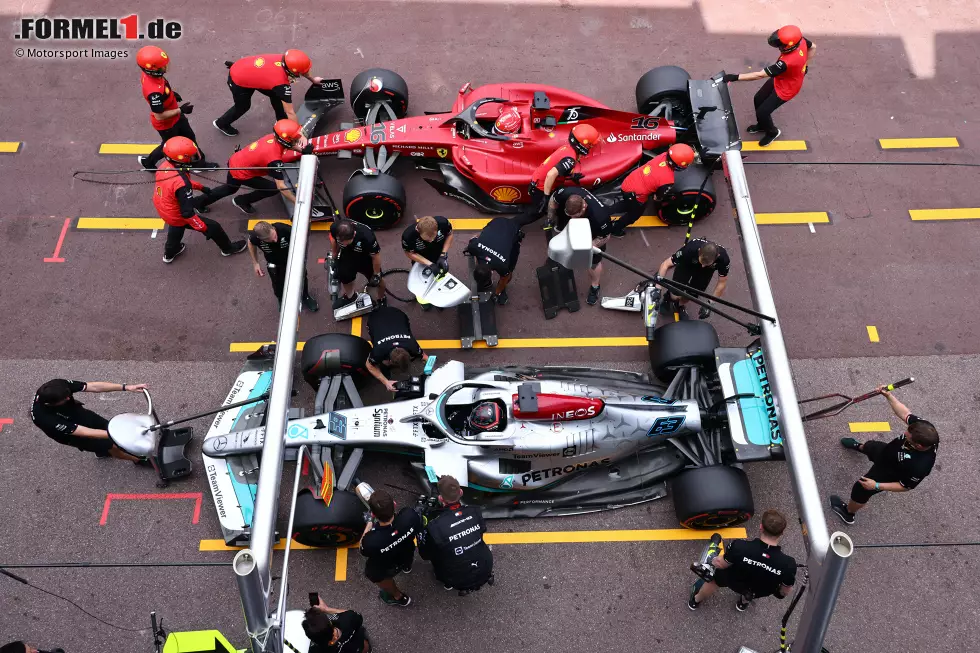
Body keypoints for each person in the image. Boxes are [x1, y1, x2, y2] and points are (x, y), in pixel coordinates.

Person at [830, 386, 938, 525]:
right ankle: (859, 446)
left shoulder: (920, 466)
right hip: (887, 452)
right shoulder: (923, 428)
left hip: (889, 472)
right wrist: (889, 396)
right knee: (870, 446)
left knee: (861, 488)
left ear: (919, 446)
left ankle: (849, 513)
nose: (905, 434)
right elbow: (905, 413)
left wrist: (876, 485)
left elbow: (905, 486)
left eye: (908, 436)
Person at [152, 137, 247, 264]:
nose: (193, 158)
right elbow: (187, 213)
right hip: (176, 213)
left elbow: (177, 183)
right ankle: (228, 248)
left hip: (164, 208)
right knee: (214, 227)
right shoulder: (182, 182)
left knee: (176, 227)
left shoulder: (165, 166)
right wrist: (202, 228)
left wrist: (201, 188)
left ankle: (170, 253)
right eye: (190, 157)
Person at [722, 25, 815, 147]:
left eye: (781, 45)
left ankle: (772, 132)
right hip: (780, 78)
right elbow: (813, 47)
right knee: (758, 99)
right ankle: (762, 125)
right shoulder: (801, 40)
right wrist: (805, 65)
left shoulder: (785, 63)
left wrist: (735, 77)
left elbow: (759, 75)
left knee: (763, 112)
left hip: (787, 89)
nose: (779, 47)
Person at [689, 509, 797, 611]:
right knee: (751, 592)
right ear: (782, 533)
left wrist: (712, 560)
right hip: (759, 590)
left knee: (713, 581)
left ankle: (695, 600)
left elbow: (720, 564)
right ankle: (742, 603)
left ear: (761, 527)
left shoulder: (739, 547)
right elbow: (784, 591)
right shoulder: (789, 564)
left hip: (732, 580)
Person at [197, 119, 307, 215]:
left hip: (238, 161)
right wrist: (298, 202)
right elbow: (281, 187)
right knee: (272, 188)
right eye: (294, 139)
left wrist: (303, 151)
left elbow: (288, 145)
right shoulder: (274, 160)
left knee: (229, 189)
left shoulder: (272, 137)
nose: (296, 141)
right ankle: (240, 201)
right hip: (240, 172)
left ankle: (201, 202)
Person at [135, 46, 215, 171]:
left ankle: (149, 162)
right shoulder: (154, 92)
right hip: (167, 124)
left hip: (175, 117)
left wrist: (171, 94)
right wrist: (181, 110)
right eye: (162, 66)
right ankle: (199, 165)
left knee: (188, 138)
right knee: (169, 146)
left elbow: (163, 89)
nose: (166, 67)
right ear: (153, 70)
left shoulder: (150, 76)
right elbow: (159, 115)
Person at [30, 379, 149, 463]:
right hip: (72, 434)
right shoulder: (45, 418)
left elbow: (92, 386)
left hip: (78, 414)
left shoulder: (58, 386)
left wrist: (126, 387)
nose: (68, 397)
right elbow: (83, 432)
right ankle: (139, 460)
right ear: (51, 404)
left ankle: (102, 451)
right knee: (112, 445)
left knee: (107, 426)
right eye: (64, 399)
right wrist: (117, 434)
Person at [214, 49, 323, 137]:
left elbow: (301, 69)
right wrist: (299, 133)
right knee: (243, 106)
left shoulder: (286, 59)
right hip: (238, 79)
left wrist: (313, 80)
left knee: (275, 94)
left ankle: (281, 119)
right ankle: (221, 124)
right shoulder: (280, 83)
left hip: (248, 70)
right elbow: (290, 112)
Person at [418, 475, 494, 593]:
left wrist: (422, 523)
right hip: (486, 567)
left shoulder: (435, 526)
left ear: (440, 499)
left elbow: (425, 555)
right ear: (461, 492)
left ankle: (448, 583)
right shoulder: (475, 511)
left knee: (437, 552)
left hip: (455, 578)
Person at [517, 123, 600, 223]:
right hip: (541, 188)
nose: (591, 148)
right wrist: (546, 197)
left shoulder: (567, 148)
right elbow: (551, 174)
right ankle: (514, 225)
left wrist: (571, 176)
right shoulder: (570, 159)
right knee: (536, 213)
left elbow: (558, 168)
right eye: (590, 145)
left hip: (538, 183)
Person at [610, 143, 695, 238]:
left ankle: (611, 210)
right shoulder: (668, 180)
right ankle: (616, 229)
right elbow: (657, 198)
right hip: (634, 194)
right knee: (634, 214)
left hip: (629, 181)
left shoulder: (663, 155)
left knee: (627, 204)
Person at [547, 187, 613, 306]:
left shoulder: (600, 217)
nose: (572, 219)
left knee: (593, 262)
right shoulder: (566, 192)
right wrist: (550, 218)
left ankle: (595, 286)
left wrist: (586, 248)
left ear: (584, 206)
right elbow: (553, 200)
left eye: (575, 216)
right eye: (570, 215)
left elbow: (605, 237)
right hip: (576, 216)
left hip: (594, 233)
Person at [359, 489, 422, 607]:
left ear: (373, 514)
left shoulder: (372, 541)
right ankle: (407, 567)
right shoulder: (409, 515)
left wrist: (369, 522)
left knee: (375, 575)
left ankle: (398, 597)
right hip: (406, 553)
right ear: (394, 504)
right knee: (407, 555)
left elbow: (362, 549)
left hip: (387, 565)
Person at [247, 221, 318, 312]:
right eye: (270, 240)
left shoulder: (285, 229)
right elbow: (250, 242)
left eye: (275, 236)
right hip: (275, 265)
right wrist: (255, 263)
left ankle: (305, 297)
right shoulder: (255, 237)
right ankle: (281, 299)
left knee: (301, 279)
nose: (275, 240)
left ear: (273, 228)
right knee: (278, 284)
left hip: (294, 261)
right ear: (260, 239)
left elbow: (302, 239)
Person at [655, 238, 729, 320]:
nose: (703, 266)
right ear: (699, 250)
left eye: (706, 264)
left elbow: (722, 282)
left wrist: (710, 304)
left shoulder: (723, 259)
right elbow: (665, 264)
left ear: (717, 256)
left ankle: (679, 305)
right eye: (702, 262)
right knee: (675, 292)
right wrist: (657, 290)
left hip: (706, 271)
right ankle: (668, 298)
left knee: (692, 294)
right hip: (687, 264)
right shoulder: (690, 248)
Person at [465, 216, 528, 305]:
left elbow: (505, 277)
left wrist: (497, 293)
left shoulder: (502, 265)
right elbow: (475, 237)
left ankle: (502, 291)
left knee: (510, 268)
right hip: (496, 221)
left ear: (491, 273)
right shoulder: (473, 247)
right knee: (478, 249)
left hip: (512, 229)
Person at [365, 306, 428, 392]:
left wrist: (433, 371)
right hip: (375, 317)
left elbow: (425, 357)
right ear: (389, 361)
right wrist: (385, 382)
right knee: (375, 338)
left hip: (398, 313)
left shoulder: (412, 345)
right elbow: (369, 366)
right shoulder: (379, 351)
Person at [329, 219, 384, 310]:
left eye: (346, 242)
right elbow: (334, 240)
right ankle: (351, 297)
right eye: (341, 242)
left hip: (365, 258)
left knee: (380, 282)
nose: (343, 244)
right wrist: (334, 258)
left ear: (354, 235)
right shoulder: (335, 227)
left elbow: (376, 256)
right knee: (344, 276)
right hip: (347, 255)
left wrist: (377, 274)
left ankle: (381, 298)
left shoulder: (367, 237)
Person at [401, 215, 454, 302]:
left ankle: (438, 298)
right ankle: (424, 302)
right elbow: (409, 253)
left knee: (440, 277)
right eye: (428, 239)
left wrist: (443, 255)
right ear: (418, 230)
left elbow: (450, 235)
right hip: (420, 260)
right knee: (421, 282)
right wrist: (429, 263)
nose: (432, 240)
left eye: (434, 236)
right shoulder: (408, 236)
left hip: (439, 255)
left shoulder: (443, 223)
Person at [303, 596, 370, 653]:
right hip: (358, 644)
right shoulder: (348, 620)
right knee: (363, 646)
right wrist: (327, 609)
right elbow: (355, 616)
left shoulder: (314, 650)